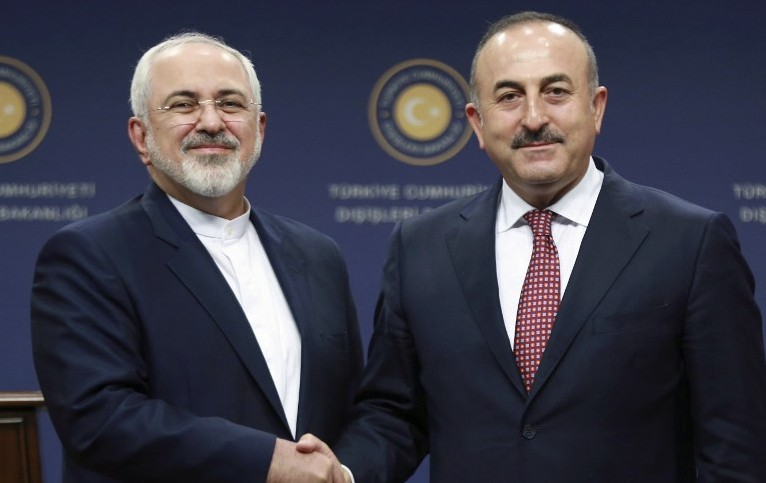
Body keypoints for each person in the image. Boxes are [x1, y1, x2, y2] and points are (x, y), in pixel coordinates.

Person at [329, 11, 766, 482]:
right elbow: (395, 415)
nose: (535, 118)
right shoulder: (419, 248)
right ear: (476, 123)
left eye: (556, 92)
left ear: (596, 107)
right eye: (509, 96)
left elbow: (736, 446)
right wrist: (340, 474)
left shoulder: (691, 241)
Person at [31, 32, 360, 483]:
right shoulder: (89, 255)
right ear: (141, 136)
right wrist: (266, 460)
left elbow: (350, 409)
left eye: (230, 103)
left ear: (258, 128)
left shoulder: (318, 256)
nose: (211, 121)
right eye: (183, 105)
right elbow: (98, 419)